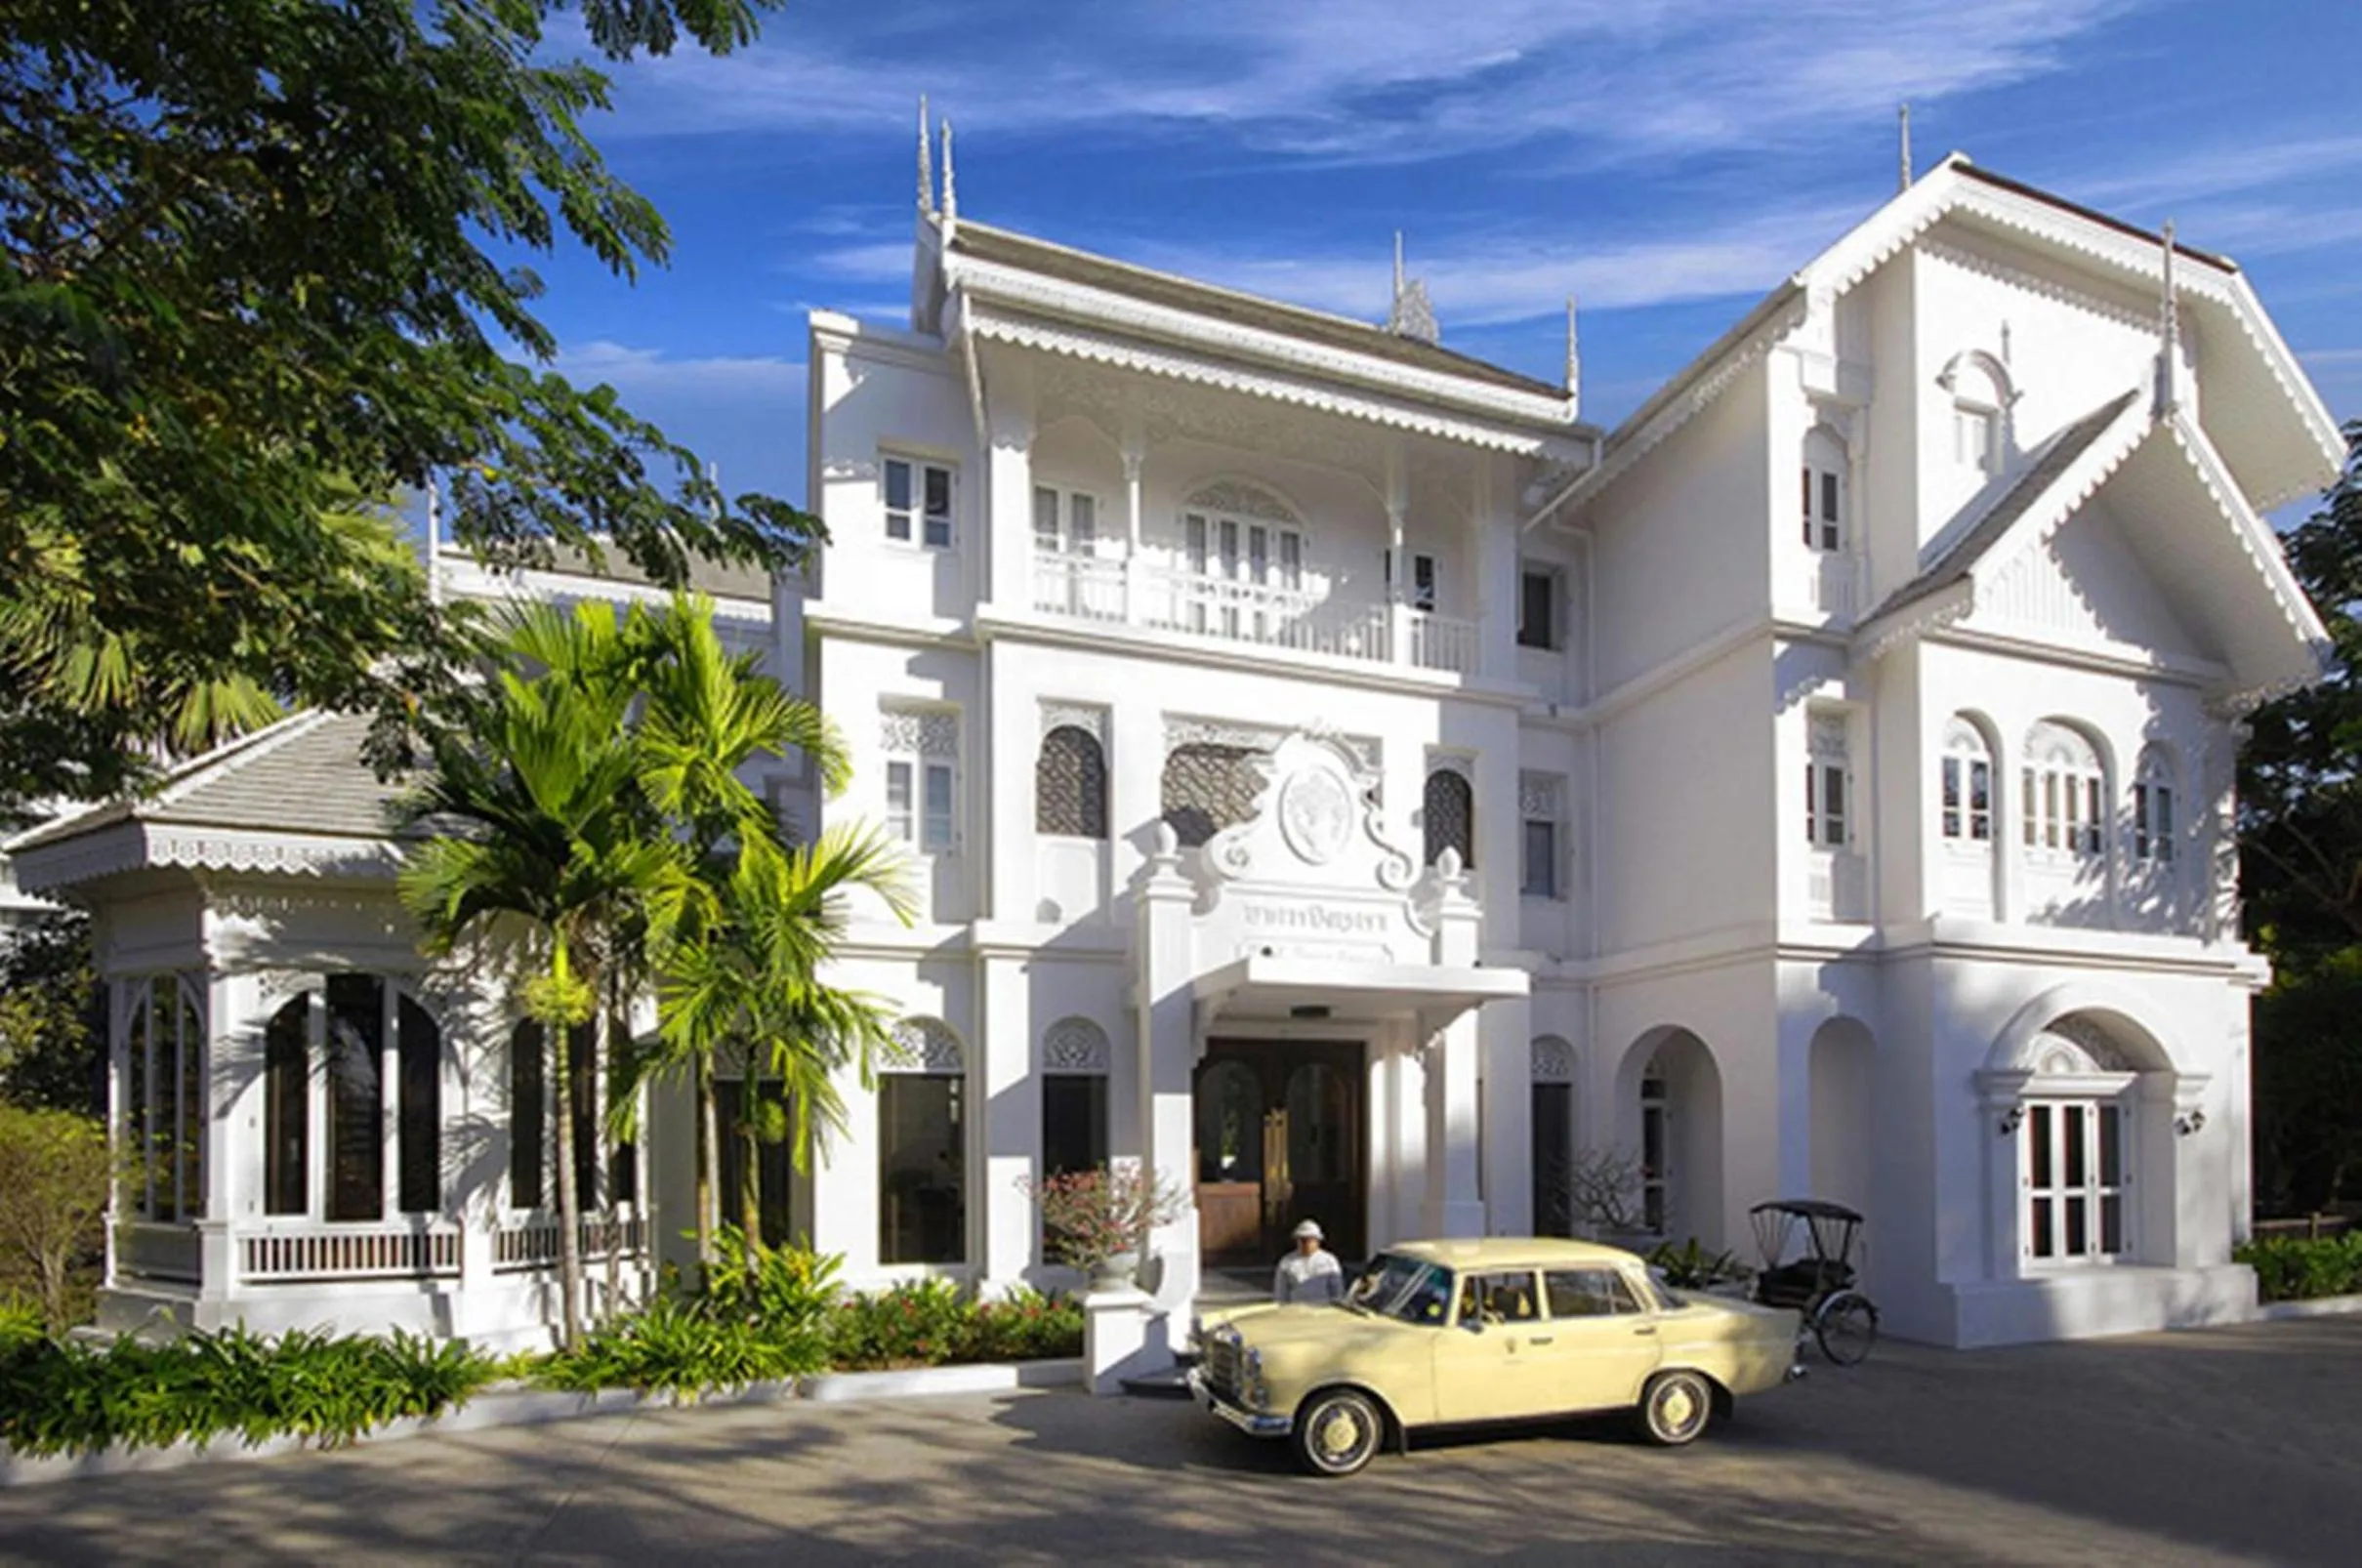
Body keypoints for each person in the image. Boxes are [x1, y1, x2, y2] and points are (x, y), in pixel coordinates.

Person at [1273, 1218, 1345, 1305]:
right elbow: (1281, 1293)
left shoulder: (1329, 1261)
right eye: (1302, 1240)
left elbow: (1337, 1292)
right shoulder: (1287, 1262)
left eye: (1310, 1240)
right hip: (1296, 1312)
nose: (1306, 1244)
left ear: (1318, 1241)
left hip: (1322, 1312)